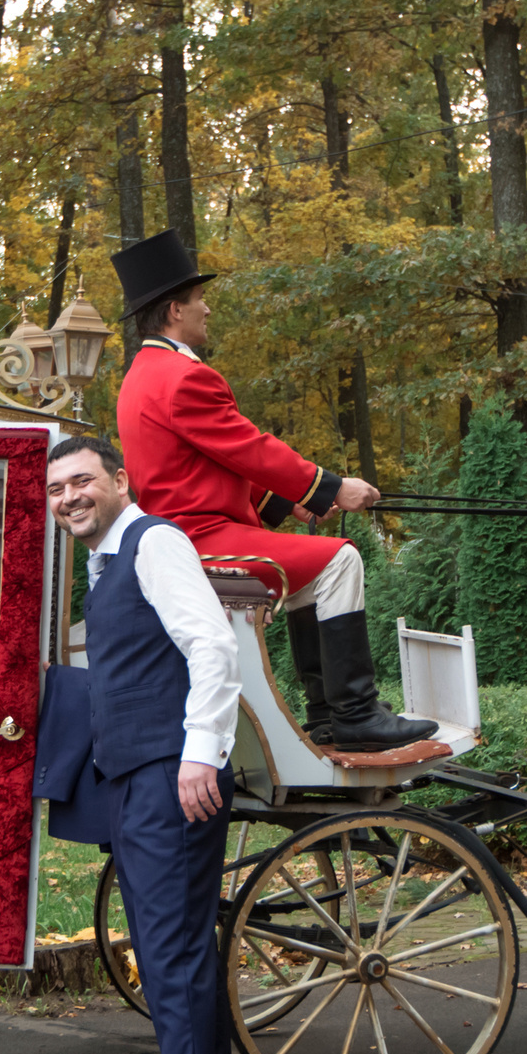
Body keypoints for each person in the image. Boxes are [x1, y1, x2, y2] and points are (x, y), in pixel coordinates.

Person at [111, 230, 435, 752]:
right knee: (341, 560)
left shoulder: (142, 376)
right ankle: (352, 713)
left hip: (186, 534)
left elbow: (213, 464)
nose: (208, 309)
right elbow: (251, 448)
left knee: (318, 563)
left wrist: (297, 504)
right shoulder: (183, 377)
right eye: (199, 301)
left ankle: (329, 717)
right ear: (175, 310)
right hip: (201, 537)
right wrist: (333, 486)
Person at [45, 434, 239, 1054]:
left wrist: (199, 756)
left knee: (171, 963)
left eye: (82, 480)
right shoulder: (108, 561)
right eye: (57, 488)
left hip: (171, 779)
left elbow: (212, 644)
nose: (69, 497)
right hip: (140, 778)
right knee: (179, 960)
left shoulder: (155, 542)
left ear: (119, 479)